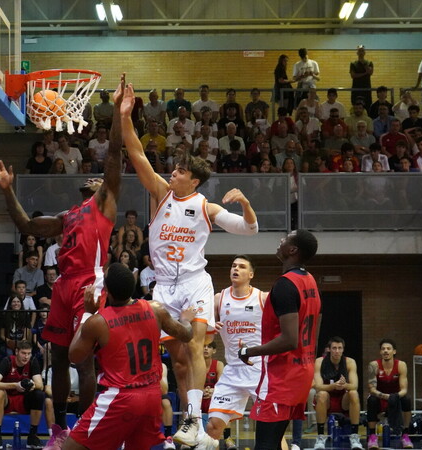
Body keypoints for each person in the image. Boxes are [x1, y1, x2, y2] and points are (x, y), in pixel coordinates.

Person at [0, 74, 127, 448]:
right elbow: (25, 224)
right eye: (95, 181)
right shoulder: (70, 214)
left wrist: (117, 112)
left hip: (89, 281)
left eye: (103, 180)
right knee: (59, 358)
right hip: (64, 283)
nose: (100, 180)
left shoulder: (105, 206)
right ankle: (59, 430)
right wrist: (7, 190)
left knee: (84, 360)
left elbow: (114, 153)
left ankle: (85, 430)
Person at [120, 81, 259, 447]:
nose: (172, 173)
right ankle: (190, 422)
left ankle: (194, 419)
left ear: (193, 180)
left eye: (179, 171)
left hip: (196, 281)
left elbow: (248, 230)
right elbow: (136, 153)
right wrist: (125, 116)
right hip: (164, 287)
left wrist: (244, 203)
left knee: (197, 346)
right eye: (174, 169)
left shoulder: (205, 207)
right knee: (179, 361)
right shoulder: (159, 195)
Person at [63, 263, 195, 450]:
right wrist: (186, 319)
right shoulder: (155, 309)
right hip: (151, 396)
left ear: (106, 290)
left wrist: (86, 312)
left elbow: (74, 356)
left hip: (120, 397)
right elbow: (186, 334)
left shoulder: (98, 321)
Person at [239, 230, 321, 450]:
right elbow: (314, 326)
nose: (280, 241)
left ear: (292, 250)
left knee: (265, 444)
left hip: (282, 377)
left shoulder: (285, 285)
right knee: (274, 442)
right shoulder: (310, 280)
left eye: (286, 239)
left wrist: (249, 351)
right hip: (302, 370)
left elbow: (289, 340)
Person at [204, 255, 267, 450]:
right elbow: (206, 341)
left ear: (251, 274)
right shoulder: (219, 298)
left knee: (270, 431)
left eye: (241, 266)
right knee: (213, 425)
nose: (235, 269)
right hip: (232, 371)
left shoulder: (262, 297)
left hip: (259, 370)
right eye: (233, 266)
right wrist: (211, 328)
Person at [0, 340, 50, 449]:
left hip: (25, 400)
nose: (26, 356)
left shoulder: (33, 361)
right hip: (8, 400)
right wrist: (15, 385)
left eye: (29, 353)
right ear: (16, 352)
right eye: (23, 353)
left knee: (39, 394)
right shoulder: (7, 361)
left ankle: (32, 436)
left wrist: (31, 385)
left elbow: (40, 385)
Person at [313, 336, 363, 450]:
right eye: (334, 348)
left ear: (343, 349)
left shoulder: (350, 362)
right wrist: (333, 386)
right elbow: (318, 386)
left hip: (343, 399)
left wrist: (343, 385)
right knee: (321, 394)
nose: (337, 351)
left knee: (354, 393)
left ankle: (354, 437)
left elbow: (355, 385)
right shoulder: (319, 362)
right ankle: (320, 436)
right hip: (327, 399)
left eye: (339, 348)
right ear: (329, 349)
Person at [365, 339, 413, 450]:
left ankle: (405, 434)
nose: (385, 351)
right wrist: (385, 396)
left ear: (394, 351)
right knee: (371, 399)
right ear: (380, 352)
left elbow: (404, 389)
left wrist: (394, 397)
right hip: (379, 397)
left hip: (396, 397)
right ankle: (372, 436)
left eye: (388, 349)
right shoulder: (373, 365)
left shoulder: (401, 365)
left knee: (407, 399)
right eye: (383, 349)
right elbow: (372, 389)